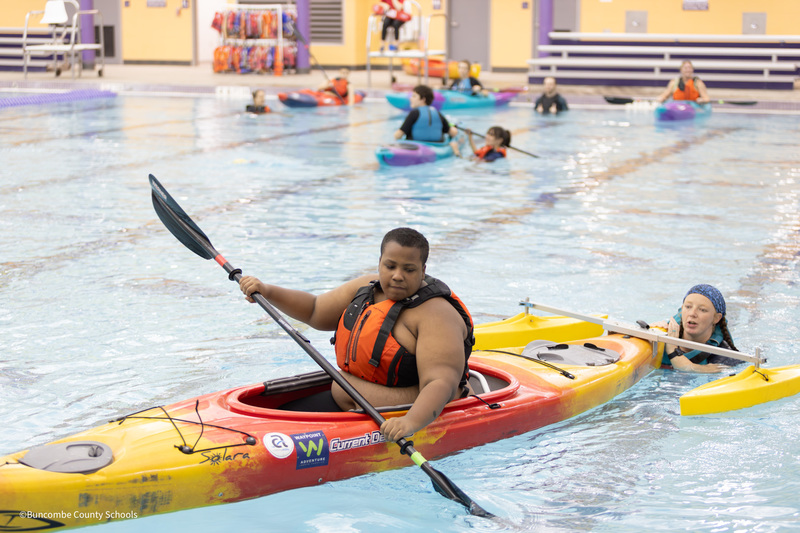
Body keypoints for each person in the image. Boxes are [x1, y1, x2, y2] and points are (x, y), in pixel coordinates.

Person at [238, 228, 474, 442]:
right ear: (380, 263)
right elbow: (315, 310)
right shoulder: (366, 289)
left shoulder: (436, 315)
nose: (398, 275)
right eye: (390, 266)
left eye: (409, 269)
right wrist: (267, 291)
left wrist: (409, 423)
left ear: (423, 270)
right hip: (351, 403)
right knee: (273, 418)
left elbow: (440, 382)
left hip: (406, 413)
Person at [652, 284, 741, 373]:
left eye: (702, 310)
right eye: (688, 307)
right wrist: (653, 331)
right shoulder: (663, 337)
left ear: (716, 318)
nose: (692, 313)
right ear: (682, 309)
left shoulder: (725, 357)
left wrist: (672, 349)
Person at [394, 85, 462, 156]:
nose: (410, 98)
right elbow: (453, 133)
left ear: (423, 99)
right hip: (438, 149)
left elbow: (398, 135)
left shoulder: (414, 113)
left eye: (414, 96)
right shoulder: (437, 113)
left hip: (415, 150)